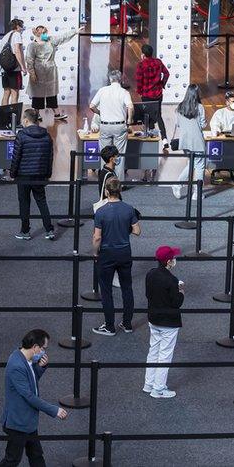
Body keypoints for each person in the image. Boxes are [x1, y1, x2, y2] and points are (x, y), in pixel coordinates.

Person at [0, 329, 68, 467]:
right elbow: (29, 396)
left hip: (27, 420)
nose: (44, 352)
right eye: (43, 348)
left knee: (35, 455)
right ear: (35, 347)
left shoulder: (24, 359)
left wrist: (40, 368)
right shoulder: (17, 366)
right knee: (12, 460)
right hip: (18, 422)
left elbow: (30, 382)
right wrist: (54, 410)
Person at [92, 177, 141, 336]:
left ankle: (109, 326)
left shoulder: (101, 212)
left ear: (106, 191)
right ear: (119, 191)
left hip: (107, 253)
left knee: (106, 290)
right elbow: (137, 231)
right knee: (127, 288)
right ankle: (127, 324)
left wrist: (94, 252)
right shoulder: (129, 209)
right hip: (125, 252)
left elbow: (97, 237)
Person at [144, 245, 184, 399]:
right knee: (165, 355)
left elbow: (148, 294)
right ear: (168, 262)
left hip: (153, 319)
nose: (174, 260)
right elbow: (176, 303)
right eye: (173, 258)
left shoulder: (150, 274)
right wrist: (181, 291)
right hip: (169, 323)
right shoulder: (172, 280)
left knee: (153, 351)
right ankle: (159, 389)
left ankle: (149, 384)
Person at [11, 109, 55, 241]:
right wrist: (48, 174)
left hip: (23, 175)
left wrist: (13, 173)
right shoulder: (46, 136)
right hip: (40, 175)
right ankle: (49, 230)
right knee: (42, 202)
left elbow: (16, 157)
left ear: (26, 120)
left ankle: (25, 231)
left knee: (24, 203)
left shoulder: (21, 135)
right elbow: (50, 158)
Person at [25, 25, 81, 121]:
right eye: (42, 32)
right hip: (38, 71)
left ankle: (57, 114)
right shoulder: (32, 45)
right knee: (38, 94)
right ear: (36, 33)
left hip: (50, 71)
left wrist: (75, 31)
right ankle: (36, 114)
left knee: (52, 93)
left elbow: (63, 37)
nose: (44, 34)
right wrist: (32, 73)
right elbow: (29, 60)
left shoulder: (51, 41)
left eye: (45, 32)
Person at [89, 71, 134, 179]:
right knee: (119, 155)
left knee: (104, 154)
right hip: (119, 126)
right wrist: (129, 120)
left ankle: (105, 180)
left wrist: (100, 113)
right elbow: (130, 107)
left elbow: (91, 106)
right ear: (120, 79)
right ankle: (118, 183)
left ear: (110, 79)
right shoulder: (124, 92)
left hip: (105, 125)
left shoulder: (102, 91)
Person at [171, 85, 207, 201]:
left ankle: (177, 185)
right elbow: (203, 125)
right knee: (200, 166)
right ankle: (197, 192)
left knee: (191, 165)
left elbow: (178, 124)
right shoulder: (200, 107)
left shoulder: (180, 107)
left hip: (185, 141)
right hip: (197, 142)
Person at [134, 44, 170, 149]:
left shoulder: (141, 65)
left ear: (143, 54)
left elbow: (139, 80)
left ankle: (151, 139)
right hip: (158, 94)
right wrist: (162, 84)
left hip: (146, 95)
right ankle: (164, 139)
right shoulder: (158, 62)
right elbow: (167, 73)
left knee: (147, 116)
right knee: (158, 116)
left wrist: (140, 91)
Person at [0, 18, 27, 107]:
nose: (22, 29)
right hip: (14, 69)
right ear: (18, 26)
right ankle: (13, 119)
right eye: (22, 27)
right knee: (15, 93)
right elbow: (17, 51)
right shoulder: (17, 35)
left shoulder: (6, 36)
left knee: (6, 93)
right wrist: (23, 67)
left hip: (5, 69)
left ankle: (4, 118)